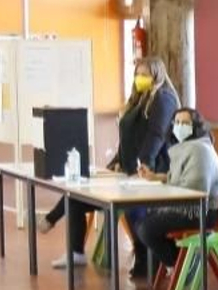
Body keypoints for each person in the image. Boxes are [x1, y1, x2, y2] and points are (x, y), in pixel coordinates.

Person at [42, 56, 179, 275]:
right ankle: (75, 251)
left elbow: (156, 135)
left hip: (151, 171)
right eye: (137, 74)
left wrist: (145, 166)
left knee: (134, 208)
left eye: (144, 74)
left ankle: (145, 257)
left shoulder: (163, 98)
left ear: (156, 74)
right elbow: (127, 137)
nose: (139, 78)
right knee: (77, 196)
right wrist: (117, 161)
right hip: (128, 171)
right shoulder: (138, 99)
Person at [133, 107, 218, 278]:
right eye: (177, 122)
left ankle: (183, 266)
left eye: (185, 123)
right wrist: (155, 177)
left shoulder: (199, 150)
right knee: (143, 222)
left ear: (196, 127)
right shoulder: (190, 147)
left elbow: (194, 190)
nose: (179, 126)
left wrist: (165, 194)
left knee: (146, 228)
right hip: (195, 208)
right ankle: (176, 264)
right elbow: (178, 178)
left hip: (202, 211)